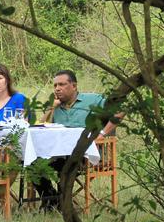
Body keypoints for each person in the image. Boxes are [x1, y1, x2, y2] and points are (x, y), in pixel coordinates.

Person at [34, 70, 124, 210]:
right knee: (31, 162)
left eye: (62, 84)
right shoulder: (56, 106)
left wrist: (102, 134)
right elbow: (39, 127)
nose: (57, 88)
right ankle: (51, 197)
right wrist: (50, 108)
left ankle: (62, 201)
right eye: (55, 85)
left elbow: (120, 109)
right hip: (58, 152)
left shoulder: (92, 100)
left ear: (74, 86)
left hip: (86, 153)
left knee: (65, 164)